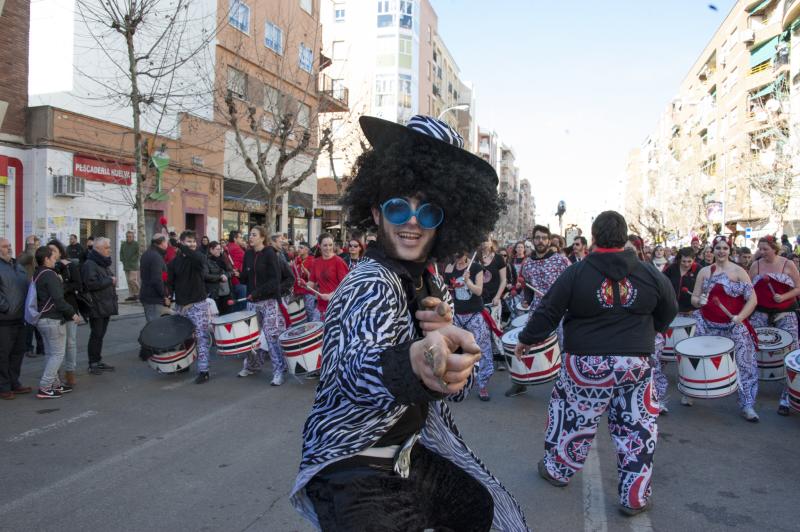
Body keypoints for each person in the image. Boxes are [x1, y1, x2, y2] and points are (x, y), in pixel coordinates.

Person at [291, 114, 526, 531]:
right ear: (377, 214)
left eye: (429, 211)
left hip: (409, 452)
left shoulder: (430, 283)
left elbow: (451, 389)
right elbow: (351, 367)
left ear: (446, 223)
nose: (412, 221)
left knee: (481, 509)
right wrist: (414, 362)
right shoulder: (369, 282)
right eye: (399, 207)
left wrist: (451, 358)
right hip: (355, 467)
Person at [516, 210, 677, 516]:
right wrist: (645, 332)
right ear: (624, 237)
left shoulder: (577, 272)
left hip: (587, 363)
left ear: (593, 238)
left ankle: (558, 471)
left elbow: (549, 310)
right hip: (635, 364)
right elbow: (668, 307)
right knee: (636, 428)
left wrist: (527, 339)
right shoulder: (648, 272)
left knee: (573, 418)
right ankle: (635, 497)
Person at [690, 235, 759, 421]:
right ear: (713, 250)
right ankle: (690, 392)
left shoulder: (739, 272)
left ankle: (747, 404)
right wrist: (699, 301)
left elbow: (753, 299)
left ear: (730, 251)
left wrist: (740, 317)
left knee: (745, 363)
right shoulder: (705, 271)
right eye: (718, 248)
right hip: (707, 322)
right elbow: (694, 298)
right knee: (695, 357)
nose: (721, 251)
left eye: (725, 248)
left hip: (733, 324)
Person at [508, 224, 571, 397]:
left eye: (544, 238)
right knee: (523, 343)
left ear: (549, 240)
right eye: (537, 238)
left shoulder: (561, 260)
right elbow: (526, 285)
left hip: (559, 310)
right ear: (533, 240)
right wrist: (527, 299)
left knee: (563, 348)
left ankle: (565, 386)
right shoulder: (527, 263)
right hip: (537, 310)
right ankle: (520, 382)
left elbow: (572, 283)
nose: (541, 241)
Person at [748, 235, 800, 416]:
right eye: (760, 249)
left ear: (774, 249)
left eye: (765, 249)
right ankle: (749, 394)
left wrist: (783, 297)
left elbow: (798, 288)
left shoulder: (788, 264)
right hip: (761, 313)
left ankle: (787, 396)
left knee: (791, 352)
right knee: (751, 349)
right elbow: (749, 289)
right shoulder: (756, 265)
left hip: (786, 312)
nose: (761, 252)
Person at [238, 226, 294, 385]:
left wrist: (256, 293)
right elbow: (245, 277)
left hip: (269, 301)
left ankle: (279, 371)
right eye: (249, 234)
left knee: (271, 337)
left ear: (262, 238)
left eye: (254, 235)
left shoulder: (270, 253)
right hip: (252, 302)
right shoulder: (248, 254)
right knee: (251, 337)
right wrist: (238, 275)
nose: (250, 237)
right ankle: (252, 366)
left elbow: (275, 280)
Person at [444, 251, 494, 401]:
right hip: (456, 315)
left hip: (474, 314)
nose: (458, 255)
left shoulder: (476, 267)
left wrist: (468, 282)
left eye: (461, 252)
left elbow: (478, 291)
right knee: (452, 350)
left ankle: (483, 383)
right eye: (455, 252)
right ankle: (454, 383)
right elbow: (446, 292)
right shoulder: (449, 268)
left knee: (482, 348)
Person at [33, 246, 81, 399]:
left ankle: (55, 384)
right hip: (53, 319)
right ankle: (46, 386)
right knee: (58, 354)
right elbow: (59, 300)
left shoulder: (37, 273)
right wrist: (72, 314)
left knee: (50, 353)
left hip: (42, 318)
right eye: (53, 257)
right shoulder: (50, 275)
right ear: (46, 259)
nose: (56, 260)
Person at [167, 230, 213, 384]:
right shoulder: (174, 262)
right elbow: (171, 283)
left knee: (201, 338)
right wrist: (168, 296)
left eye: (194, 241)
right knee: (183, 338)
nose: (192, 244)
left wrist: (181, 245)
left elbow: (198, 258)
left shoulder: (198, 258)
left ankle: (204, 370)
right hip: (181, 306)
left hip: (198, 305)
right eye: (189, 241)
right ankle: (184, 364)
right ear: (182, 242)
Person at [81, 237, 119, 375]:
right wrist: (110, 280)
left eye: (109, 247)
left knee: (100, 335)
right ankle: (93, 362)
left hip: (105, 304)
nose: (109, 250)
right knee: (96, 334)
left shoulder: (103, 263)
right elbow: (91, 284)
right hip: (96, 305)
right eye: (107, 248)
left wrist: (110, 279)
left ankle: (97, 359)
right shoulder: (90, 264)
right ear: (98, 249)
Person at [47, 239, 82, 388]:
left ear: (60, 251)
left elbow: (78, 284)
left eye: (54, 250)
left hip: (69, 307)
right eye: (49, 251)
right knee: (55, 345)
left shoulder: (70, 266)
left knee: (70, 342)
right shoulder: (47, 267)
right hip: (53, 310)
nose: (52, 253)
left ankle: (70, 371)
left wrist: (63, 285)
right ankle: (55, 373)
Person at [0, 238, 32, 400]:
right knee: (3, 355)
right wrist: (6, 308)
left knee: (18, 352)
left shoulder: (17, 266)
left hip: (21, 318)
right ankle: (3, 386)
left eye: (10, 246)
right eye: (5, 247)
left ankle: (14, 383)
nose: (9, 249)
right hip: (4, 320)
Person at [306, 233, 349, 321]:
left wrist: (331, 295)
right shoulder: (316, 262)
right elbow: (311, 283)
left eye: (330, 245)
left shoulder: (339, 262)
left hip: (337, 305)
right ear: (319, 246)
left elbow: (346, 285)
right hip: (321, 306)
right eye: (325, 245)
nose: (328, 248)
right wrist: (304, 285)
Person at [18, 236, 45, 358]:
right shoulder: (24, 255)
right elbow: (27, 258)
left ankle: (41, 347)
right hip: (28, 292)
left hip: (38, 292)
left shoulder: (39, 257)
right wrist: (30, 247)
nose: (37, 247)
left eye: (38, 245)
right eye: (35, 245)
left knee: (39, 322)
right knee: (29, 323)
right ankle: (28, 348)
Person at [139, 235, 170, 323]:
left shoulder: (147, 253)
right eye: (166, 242)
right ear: (162, 243)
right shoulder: (156, 257)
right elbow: (157, 279)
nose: (167, 244)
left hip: (148, 295)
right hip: (154, 297)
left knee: (152, 324)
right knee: (155, 325)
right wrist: (164, 296)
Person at [292, 242, 319, 322]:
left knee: (309, 311)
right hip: (297, 291)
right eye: (298, 247)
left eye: (301, 247)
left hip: (308, 291)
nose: (298, 249)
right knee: (299, 313)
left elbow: (313, 278)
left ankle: (311, 330)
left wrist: (305, 270)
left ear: (307, 250)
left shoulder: (312, 261)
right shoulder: (296, 260)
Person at [206, 241, 232, 315]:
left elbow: (231, 271)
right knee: (217, 316)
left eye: (220, 249)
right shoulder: (206, 261)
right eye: (217, 249)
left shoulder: (223, 259)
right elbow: (206, 276)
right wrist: (220, 277)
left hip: (227, 291)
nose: (219, 251)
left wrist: (226, 275)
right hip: (215, 293)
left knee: (227, 315)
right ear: (211, 250)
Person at [226, 230, 247, 312]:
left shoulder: (229, 246)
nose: (242, 239)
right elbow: (246, 260)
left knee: (235, 303)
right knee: (241, 305)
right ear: (235, 239)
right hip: (238, 280)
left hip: (232, 279)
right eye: (240, 237)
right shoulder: (236, 248)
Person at [119, 231, 140, 301]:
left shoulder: (136, 244)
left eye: (130, 236)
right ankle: (131, 295)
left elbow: (138, 253)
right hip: (126, 265)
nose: (129, 238)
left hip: (133, 265)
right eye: (127, 236)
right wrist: (122, 259)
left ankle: (138, 293)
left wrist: (133, 260)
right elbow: (121, 253)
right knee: (128, 281)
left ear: (133, 237)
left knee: (132, 280)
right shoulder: (123, 244)